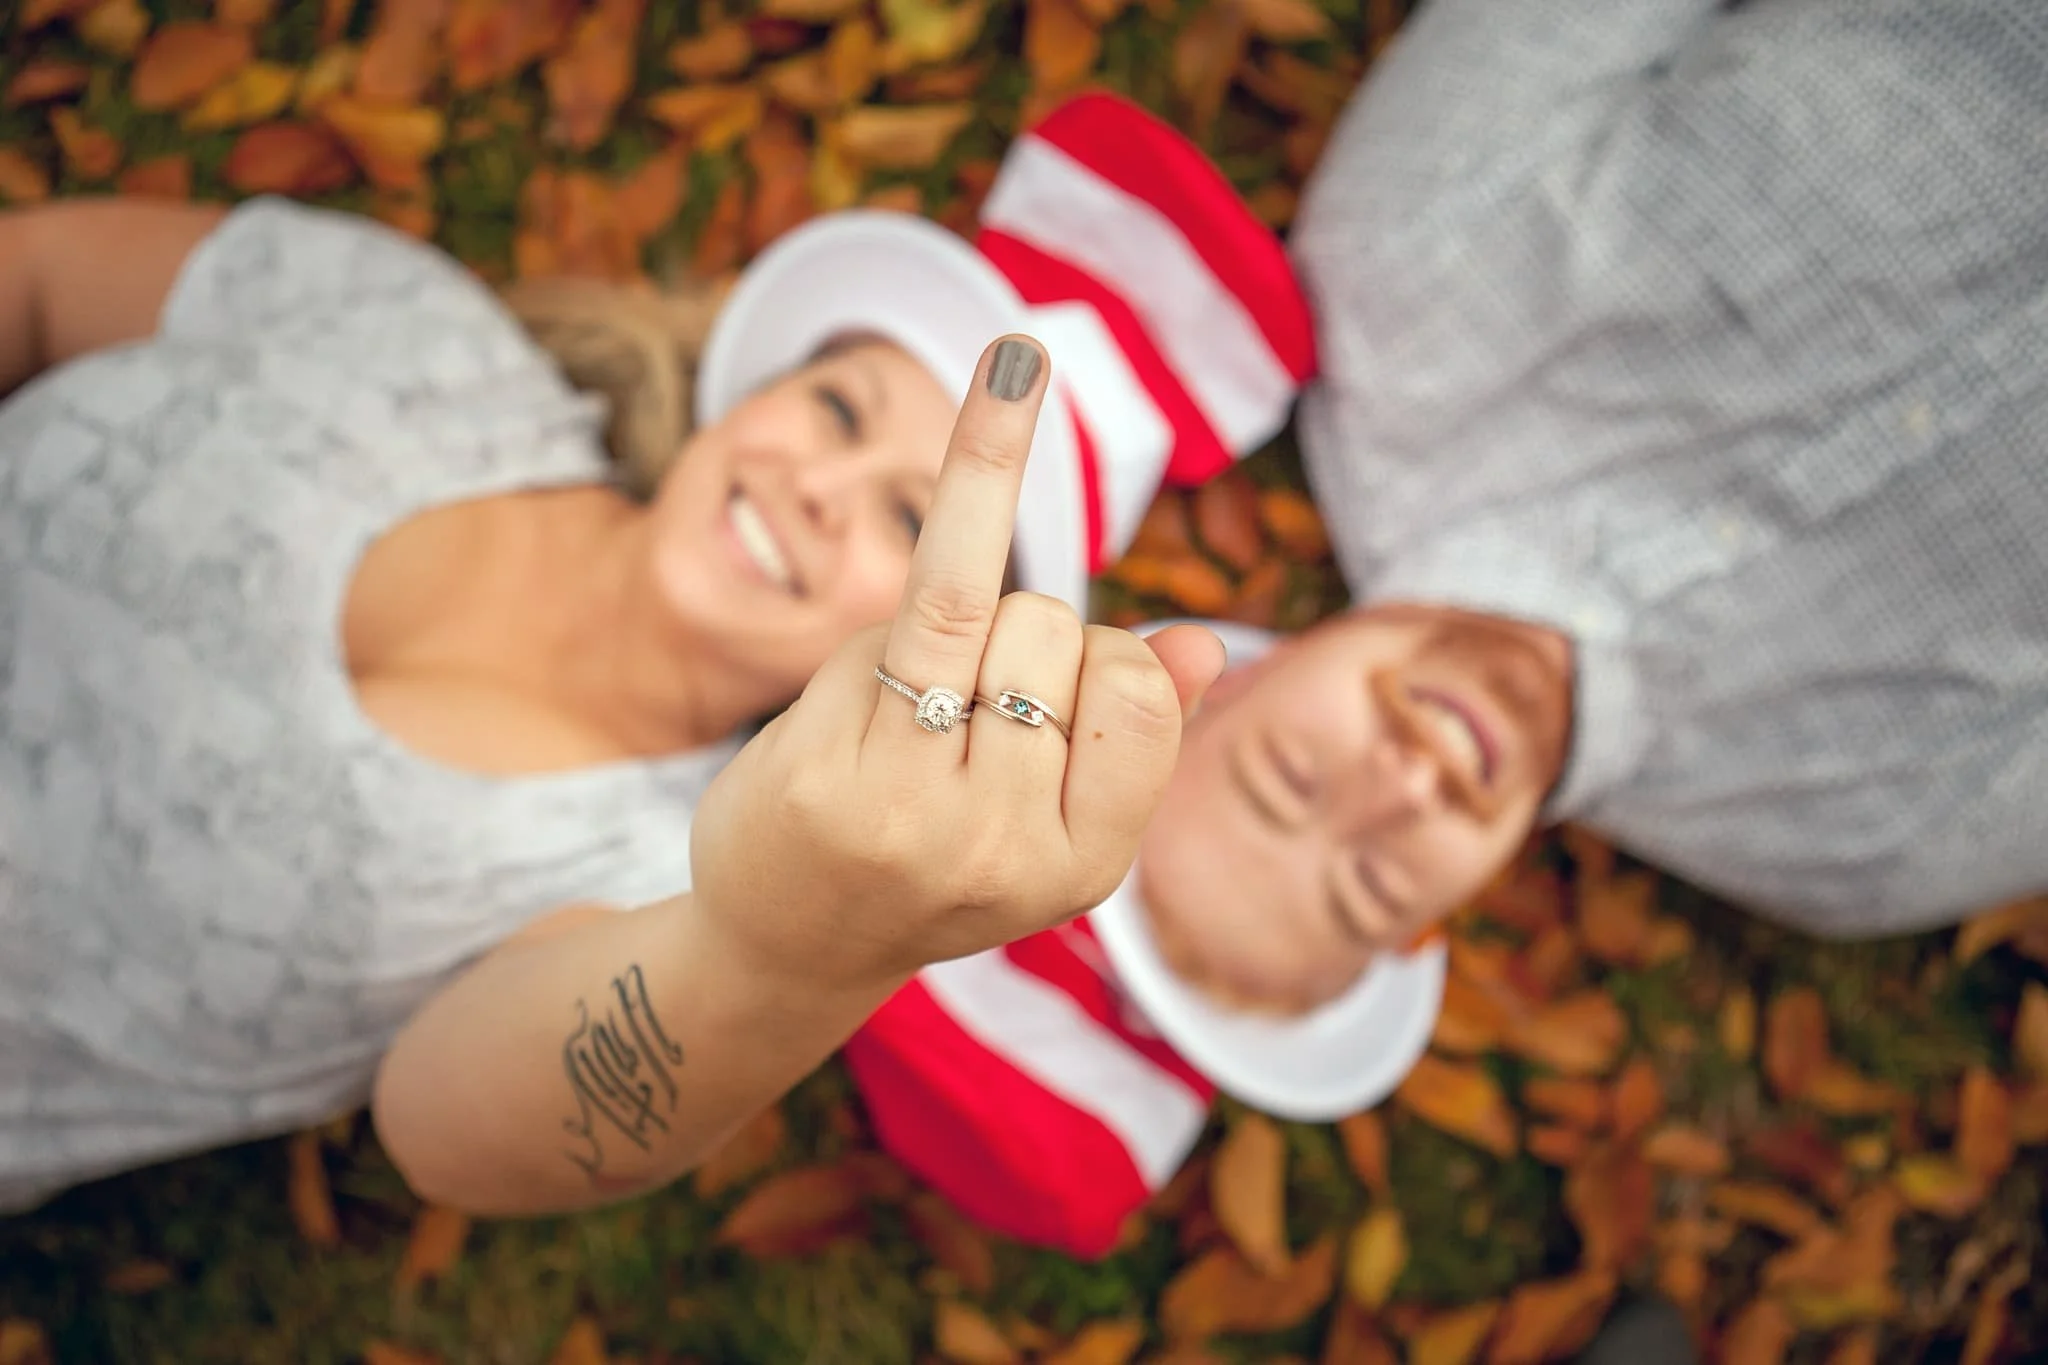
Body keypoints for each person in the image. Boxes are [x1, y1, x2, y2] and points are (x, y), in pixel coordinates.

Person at [0, 91, 1309, 1211]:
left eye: (913, 519)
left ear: (937, 638)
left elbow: (452, 1137)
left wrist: (784, 957)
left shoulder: (658, 884)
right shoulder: (420, 339)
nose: (820, 484)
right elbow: (43, 283)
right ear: (751, 396)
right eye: (837, 405)